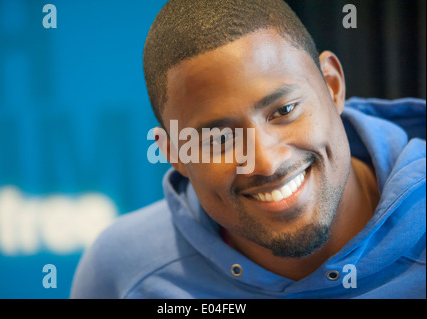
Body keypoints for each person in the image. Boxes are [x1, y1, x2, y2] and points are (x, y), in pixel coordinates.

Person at [71, 0, 426, 299]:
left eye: (285, 111)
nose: (267, 162)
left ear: (332, 86)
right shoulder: (121, 273)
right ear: (175, 154)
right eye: (219, 138)